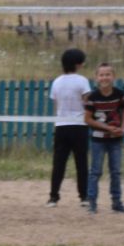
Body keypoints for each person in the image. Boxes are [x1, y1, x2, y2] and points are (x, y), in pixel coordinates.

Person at [83, 62, 124, 216]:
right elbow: (88, 119)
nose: (105, 77)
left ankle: (116, 202)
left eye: (108, 74)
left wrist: (122, 129)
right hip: (98, 140)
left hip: (115, 140)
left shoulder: (120, 94)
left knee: (116, 171)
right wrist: (107, 128)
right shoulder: (92, 97)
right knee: (95, 171)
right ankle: (92, 202)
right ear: (96, 78)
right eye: (101, 75)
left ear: (113, 76)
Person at [47, 48, 91, 209]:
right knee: (81, 163)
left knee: (59, 163)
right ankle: (84, 196)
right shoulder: (82, 81)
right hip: (79, 126)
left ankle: (53, 197)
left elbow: (56, 105)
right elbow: (87, 102)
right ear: (78, 64)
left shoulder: (57, 82)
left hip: (61, 126)